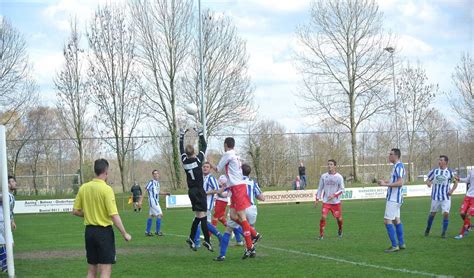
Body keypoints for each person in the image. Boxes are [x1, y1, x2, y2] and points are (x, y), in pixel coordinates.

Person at [73, 159, 131, 278]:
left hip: (89, 232)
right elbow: (114, 215)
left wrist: (89, 214)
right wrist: (124, 233)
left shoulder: (84, 187)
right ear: (106, 172)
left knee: (91, 270)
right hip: (104, 233)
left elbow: (75, 211)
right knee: (105, 270)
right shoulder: (106, 189)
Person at [209, 137, 261, 259]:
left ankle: (250, 246)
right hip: (235, 188)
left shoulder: (228, 154)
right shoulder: (236, 156)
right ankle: (254, 234)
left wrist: (210, 161)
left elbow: (217, 169)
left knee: (242, 218)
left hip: (237, 188)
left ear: (226, 145)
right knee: (233, 216)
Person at [214, 164, 265, 261]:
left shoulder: (234, 181)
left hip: (239, 208)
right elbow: (262, 197)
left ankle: (222, 255)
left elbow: (225, 193)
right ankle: (252, 250)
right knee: (250, 230)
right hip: (252, 208)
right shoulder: (252, 182)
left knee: (228, 230)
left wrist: (217, 192)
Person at [179, 127, 213, 252]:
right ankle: (207, 241)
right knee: (203, 216)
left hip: (191, 191)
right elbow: (204, 145)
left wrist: (182, 135)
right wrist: (200, 133)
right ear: (194, 151)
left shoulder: (184, 161)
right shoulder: (199, 160)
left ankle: (192, 238)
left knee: (198, 216)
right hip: (199, 190)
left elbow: (180, 149)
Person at [378, 148, 406, 253]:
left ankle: (395, 245)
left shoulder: (399, 166)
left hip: (394, 199)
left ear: (396, 156)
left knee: (387, 221)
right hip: (396, 198)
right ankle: (401, 243)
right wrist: (384, 181)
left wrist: (386, 184)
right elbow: (394, 181)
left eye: (391, 154)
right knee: (396, 220)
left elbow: (400, 183)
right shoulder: (396, 166)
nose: (389, 156)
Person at [424, 155, 458, 238]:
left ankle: (444, 233)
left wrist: (451, 191)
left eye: (441, 160)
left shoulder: (450, 172)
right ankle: (428, 229)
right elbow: (428, 180)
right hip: (435, 197)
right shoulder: (435, 171)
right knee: (432, 214)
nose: (439, 161)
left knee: (446, 214)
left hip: (445, 197)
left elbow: (456, 183)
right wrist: (428, 183)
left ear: (445, 162)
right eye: (439, 160)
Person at [314, 160, 344, 240]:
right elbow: (320, 188)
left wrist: (334, 195)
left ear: (335, 166)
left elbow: (342, 190)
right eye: (328, 164)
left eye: (331, 164)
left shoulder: (339, 177)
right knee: (323, 217)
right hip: (326, 201)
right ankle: (321, 235)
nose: (329, 166)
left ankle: (340, 229)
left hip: (336, 202)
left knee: (339, 219)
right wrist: (317, 199)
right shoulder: (324, 176)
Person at [194, 162, 222, 246]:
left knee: (198, 222)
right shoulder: (201, 178)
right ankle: (219, 236)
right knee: (204, 223)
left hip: (207, 204)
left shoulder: (211, 178)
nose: (205, 168)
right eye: (204, 167)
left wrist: (206, 192)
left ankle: (196, 242)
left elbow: (217, 190)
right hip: (200, 203)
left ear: (210, 169)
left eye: (207, 167)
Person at [139, 170, 170, 236]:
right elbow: (145, 190)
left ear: (158, 175)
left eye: (157, 173)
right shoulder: (151, 182)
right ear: (152, 175)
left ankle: (147, 232)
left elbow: (158, 192)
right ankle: (157, 231)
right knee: (160, 214)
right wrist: (140, 201)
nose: (156, 175)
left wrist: (166, 193)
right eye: (154, 174)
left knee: (151, 215)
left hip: (155, 200)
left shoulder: (157, 183)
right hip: (153, 201)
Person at [0, 176, 16, 273]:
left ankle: (4, 265)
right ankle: (5, 266)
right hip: (1, 222)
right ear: (7, 184)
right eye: (12, 181)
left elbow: (10, 211)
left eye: (14, 181)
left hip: (6, 222)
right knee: (4, 244)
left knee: (10, 244)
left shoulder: (11, 196)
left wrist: (12, 221)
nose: (15, 183)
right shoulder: (4, 195)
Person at [455, 168, 474, 239]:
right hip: (468, 196)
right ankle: (469, 226)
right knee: (462, 213)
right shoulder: (472, 171)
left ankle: (461, 234)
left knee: (468, 214)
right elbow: (467, 180)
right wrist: (459, 179)